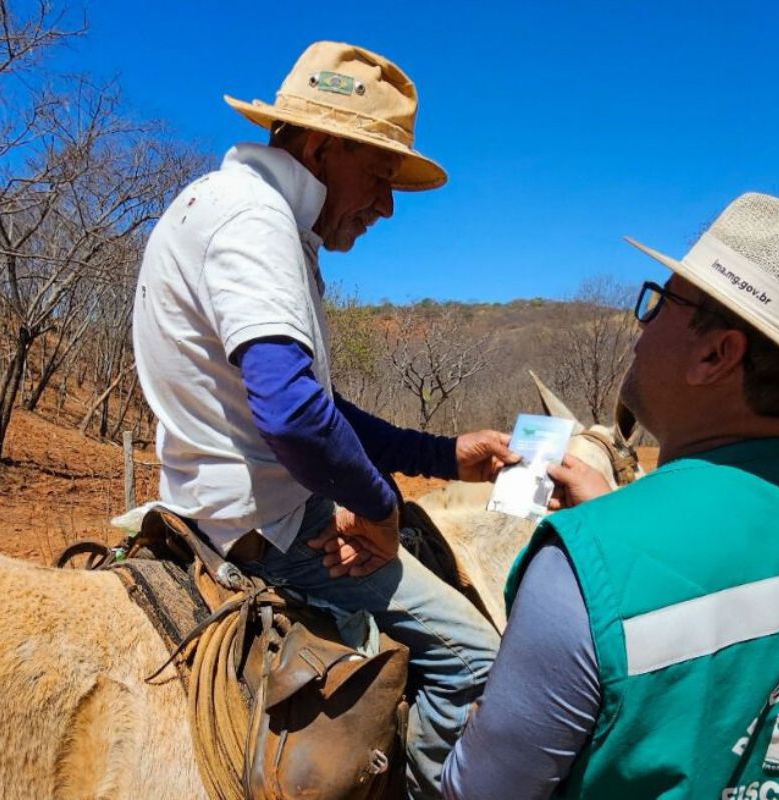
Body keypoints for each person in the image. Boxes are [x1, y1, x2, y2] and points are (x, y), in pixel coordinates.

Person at [442, 193, 779, 799]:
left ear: (715, 354)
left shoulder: (583, 565)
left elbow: (480, 790)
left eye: (660, 303)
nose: (641, 326)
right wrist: (613, 521)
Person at [132, 41, 511, 800]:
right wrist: (379, 504)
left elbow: (317, 405)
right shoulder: (256, 218)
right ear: (320, 146)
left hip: (218, 502)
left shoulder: (224, 204)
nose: (386, 204)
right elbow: (296, 416)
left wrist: (444, 455)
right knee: (480, 661)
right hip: (273, 526)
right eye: (380, 174)